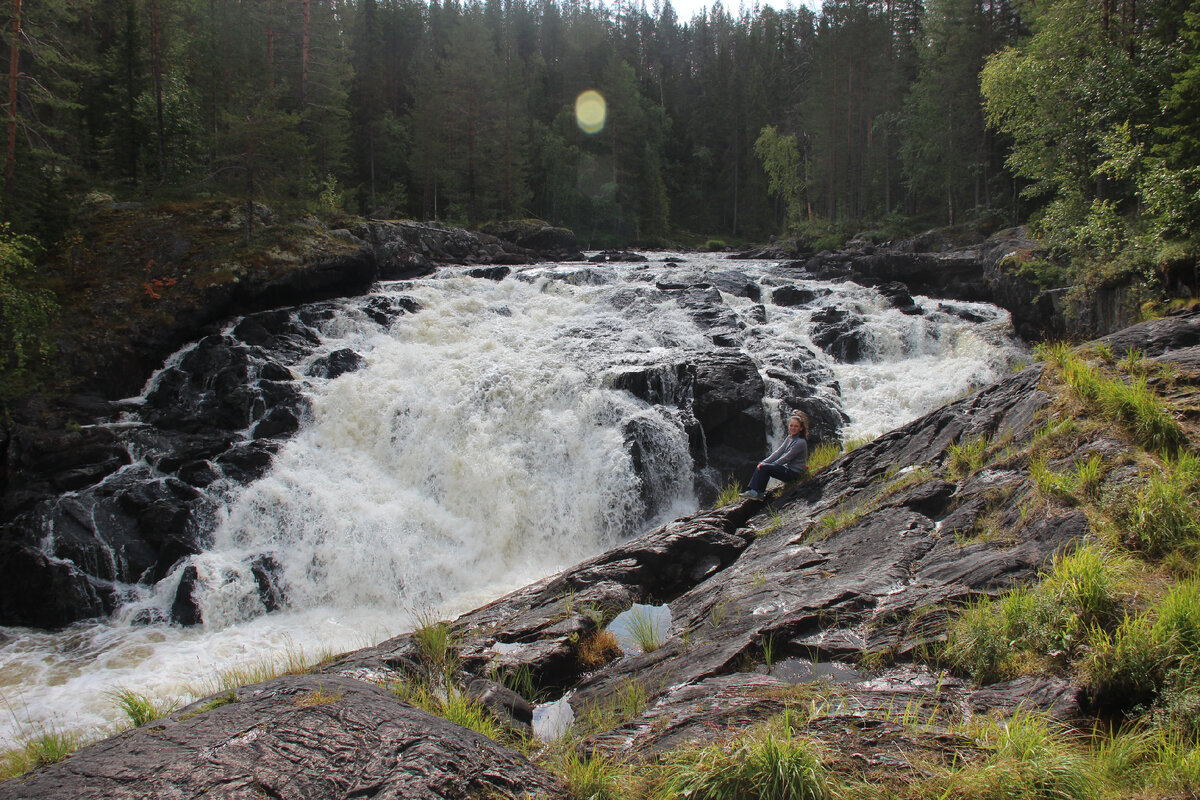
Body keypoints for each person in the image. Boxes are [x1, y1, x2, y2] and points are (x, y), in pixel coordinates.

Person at [740, 412, 809, 499]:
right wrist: (764, 462)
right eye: (791, 425)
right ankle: (759, 493)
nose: (793, 428)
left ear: (801, 428)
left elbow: (787, 458)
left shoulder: (800, 442)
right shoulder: (789, 438)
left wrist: (770, 465)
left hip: (794, 473)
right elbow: (778, 452)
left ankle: (754, 492)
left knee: (765, 467)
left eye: (796, 426)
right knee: (762, 465)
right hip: (788, 470)